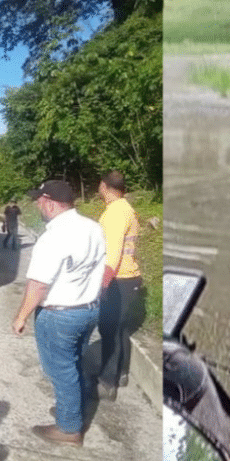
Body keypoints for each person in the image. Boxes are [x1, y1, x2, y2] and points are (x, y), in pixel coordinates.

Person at [11, 180, 106, 446]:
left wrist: (21, 317)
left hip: (59, 315)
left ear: (50, 203)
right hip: (88, 311)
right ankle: (71, 410)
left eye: (39, 201)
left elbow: (39, 284)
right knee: (74, 363)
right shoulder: (93, 228)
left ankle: (69, 429)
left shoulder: (53, 237)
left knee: (60, 371)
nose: (36, 205)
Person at [96, 170, 144, 401]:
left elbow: (113, 252)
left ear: (103, 186)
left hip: (118, 279)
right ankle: (122, 372)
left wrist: (103, 284)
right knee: (121, 329)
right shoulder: (126, 209)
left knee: (109, 330)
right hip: (129, 279)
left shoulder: (115, 213)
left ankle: (107, 382)